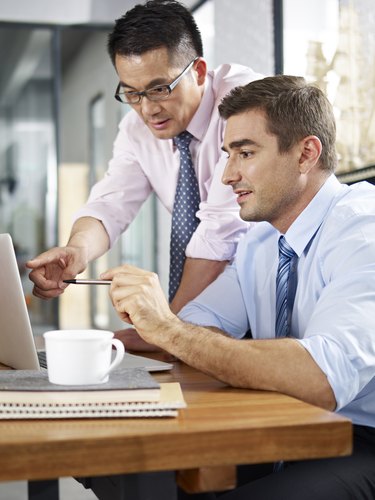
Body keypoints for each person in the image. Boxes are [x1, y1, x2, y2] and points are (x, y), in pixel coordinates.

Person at [102, 75, 375, 499]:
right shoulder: (262, 240)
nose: (228, 176)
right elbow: (199, 323)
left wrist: (169, 329)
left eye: (245, 153)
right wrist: (166, 330)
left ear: (306, 153)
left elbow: (320, 378)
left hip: (361, 438)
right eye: (228, 155)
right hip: (285, 422)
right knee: (130, 468)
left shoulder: (364, 230)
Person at [26, 0, 261, 350]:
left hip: (263, 293)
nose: (148, 109)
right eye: (132, 93)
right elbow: (111, 202)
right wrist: (76, 250)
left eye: (159, 88)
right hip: (206, 312)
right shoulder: (136, 128)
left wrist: (165, 328)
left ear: (198, 72)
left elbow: (220, 234)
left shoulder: (243, 103)